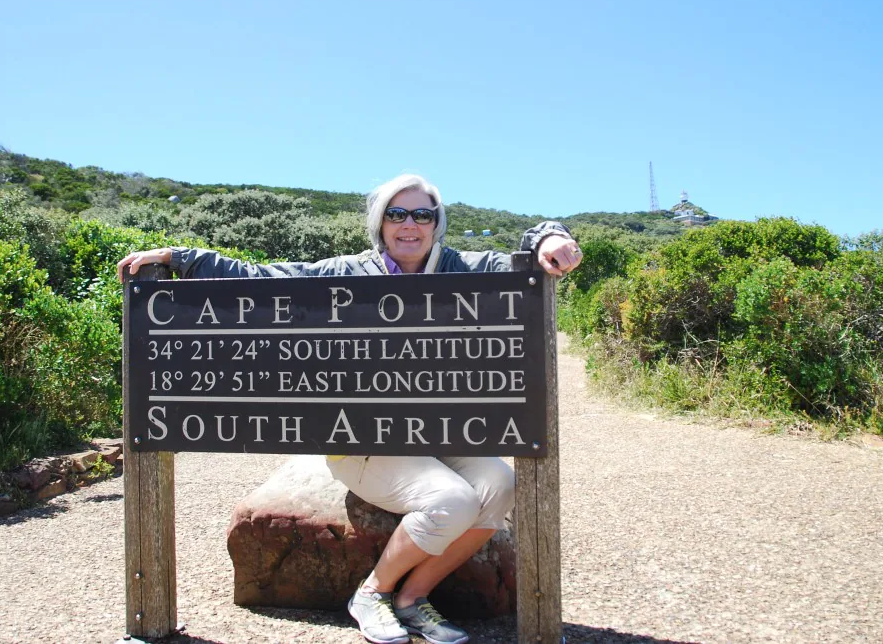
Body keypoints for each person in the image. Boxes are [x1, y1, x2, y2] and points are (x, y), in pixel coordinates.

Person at [118, 174, 582, 644]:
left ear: (437, 223)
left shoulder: (461, 265)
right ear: (380, 223)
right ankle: (373, 594)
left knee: (500, 485)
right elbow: (265, 277)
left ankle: (411, 599)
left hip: (438, 433)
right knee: (453, 500)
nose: (409, 225)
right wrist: (181, 258)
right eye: (396, 214)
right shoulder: (348, 271)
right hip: (363, 439)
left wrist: (551, 237)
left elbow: (522, 260)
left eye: (422, 214)